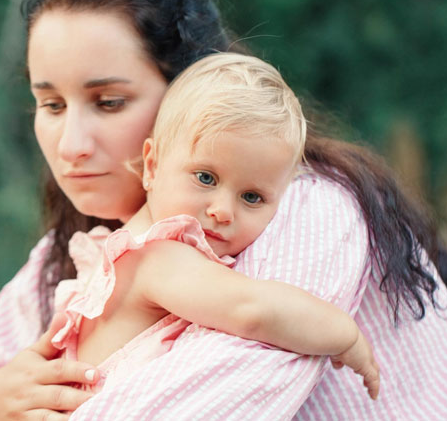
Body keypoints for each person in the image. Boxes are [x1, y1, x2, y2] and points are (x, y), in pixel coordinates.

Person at [0, 0, 447, 420]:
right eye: (49, 103)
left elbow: (202, 403)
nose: (70, 143)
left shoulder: (301, 208)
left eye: (109, 101)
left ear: (189, 91)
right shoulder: (70, 255)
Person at [50, 52, 378, 398]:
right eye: (205, 177)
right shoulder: (157, 256)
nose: (223, 211)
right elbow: (251, 310)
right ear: (152, 165)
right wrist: (346, 334)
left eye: (251, 197)